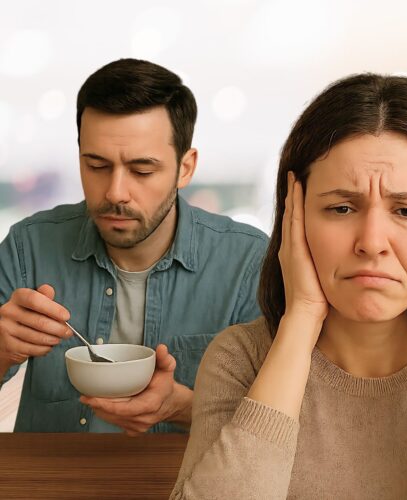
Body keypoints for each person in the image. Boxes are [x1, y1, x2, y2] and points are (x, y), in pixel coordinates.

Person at [171, 74, 407, 499]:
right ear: (292, 214)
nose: (371, 242)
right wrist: (300, 319)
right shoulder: (238, 359)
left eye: (406, 211)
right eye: (341, 207)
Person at [0, 58, 268, 434]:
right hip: (54, 479)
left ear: (185, 168)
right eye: (96, 165)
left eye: (142, 171)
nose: (115, 192)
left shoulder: (247, 263)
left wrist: (182, 406)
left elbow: (276, 421)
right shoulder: (28, 247)